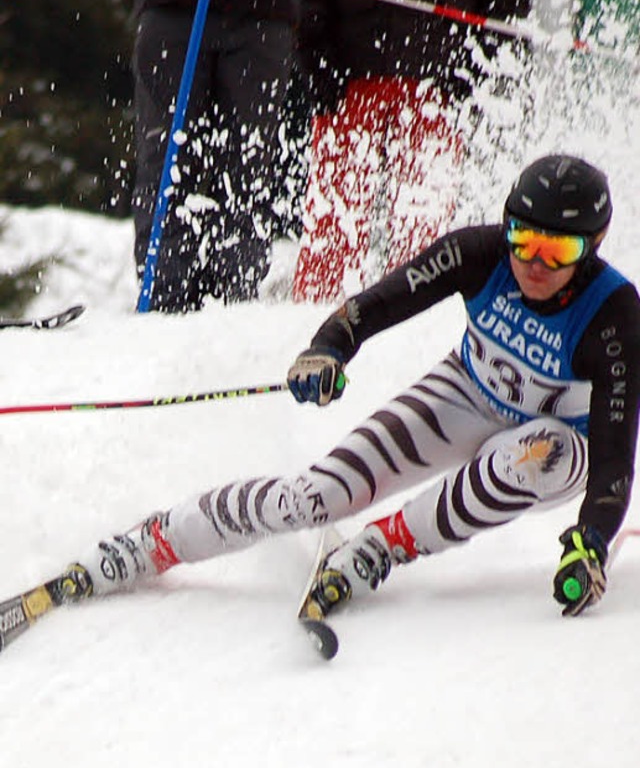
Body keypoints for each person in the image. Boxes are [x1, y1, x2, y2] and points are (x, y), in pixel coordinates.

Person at [56, 155, 639, 622]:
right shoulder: (479, 252)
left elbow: (616, 448)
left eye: (557, 250)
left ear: (592, 248)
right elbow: (381, 301)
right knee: (316, 496)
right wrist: (327, 348)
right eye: (523, 238)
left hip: (560, 447)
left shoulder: (613, 315)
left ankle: (384, 546)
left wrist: (591, 541)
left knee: (538, 452)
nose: (533, 262)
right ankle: (156, 541)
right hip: (464, 395)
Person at [292, 0, 534, 303]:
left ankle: (417, 323)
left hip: (439, 78)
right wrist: (314, 48)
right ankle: (315, 324)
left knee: (422, 234)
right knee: (332, 232)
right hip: (351, 71)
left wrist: (482, 60)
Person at [132, 0, 299, 312]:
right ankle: (163, 297)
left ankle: (236, 297)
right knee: (168, 160)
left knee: (250, 164)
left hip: (263, 6)